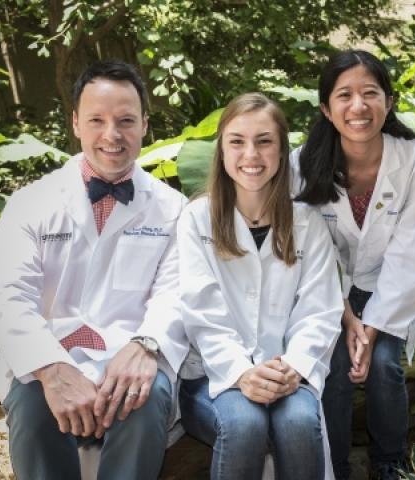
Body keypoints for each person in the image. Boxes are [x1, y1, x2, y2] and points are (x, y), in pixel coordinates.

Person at [0, 60, 188, 480]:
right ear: (76, 124)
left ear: (144, 125)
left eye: (125, 121)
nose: (112, 135)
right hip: (50, 351)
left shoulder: (172, 209)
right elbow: (9, 299)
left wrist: (146, 345)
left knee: (145, 395)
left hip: (131, 352)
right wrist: (50, 367)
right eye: (97, 120)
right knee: (31, 407)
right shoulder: (30, 203)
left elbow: (174, 293)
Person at [177, 92, 343, 480]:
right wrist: (240, 372)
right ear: (221, 150)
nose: (251, 154)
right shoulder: (196, 219)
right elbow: (201, 311)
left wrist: (294, 366)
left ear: (283, 151)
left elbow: (320, 310)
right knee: (243, 424)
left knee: (299, 424)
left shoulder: (308, 223)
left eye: (264, 141)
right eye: (237, 141)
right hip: (214, 375)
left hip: (289, 372)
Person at [291, 50, 415, 480]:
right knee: (333, 365)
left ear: (389, 102)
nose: (358, 107)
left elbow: (411, 250)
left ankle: (389, 463)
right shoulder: (303, 164)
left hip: (388, 284)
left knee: (385, 364)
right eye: (344, 95)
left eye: (370, 93)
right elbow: (307, 250)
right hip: (324, 285)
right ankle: (334, 468)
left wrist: (371, 327)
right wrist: (345, 315)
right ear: (326, 108)